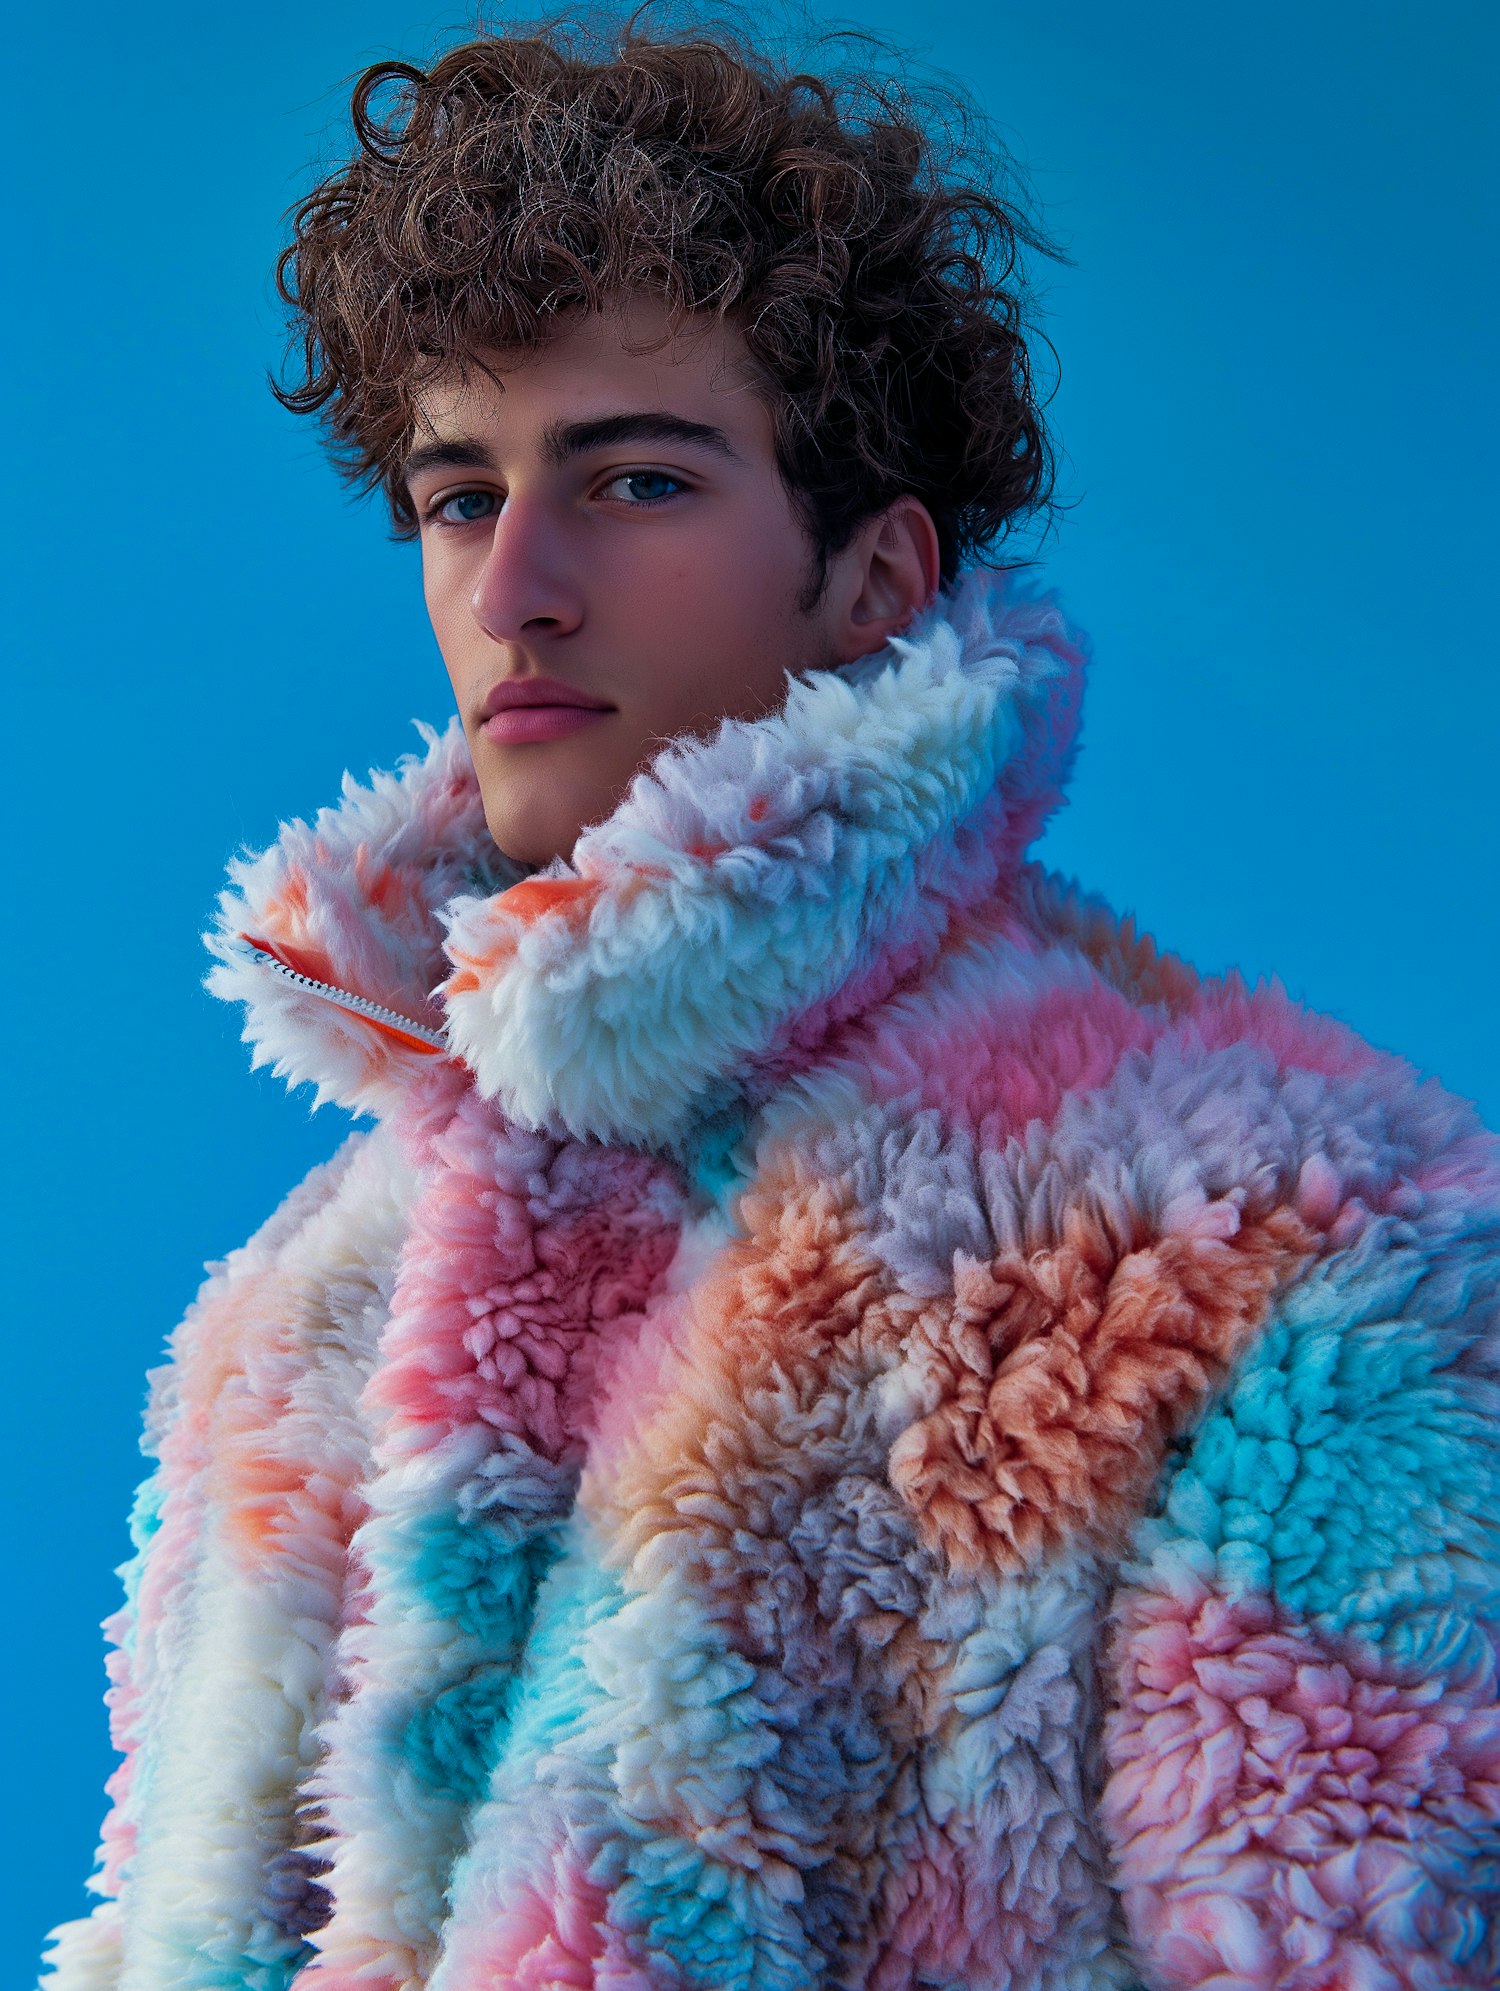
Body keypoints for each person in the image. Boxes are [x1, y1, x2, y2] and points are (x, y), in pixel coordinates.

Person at [41, 20, 1500, 1991]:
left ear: (876, 578)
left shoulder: (1288, 1259)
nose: (519, 586)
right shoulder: (303, 1312)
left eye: (636, 480)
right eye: (460, 495)